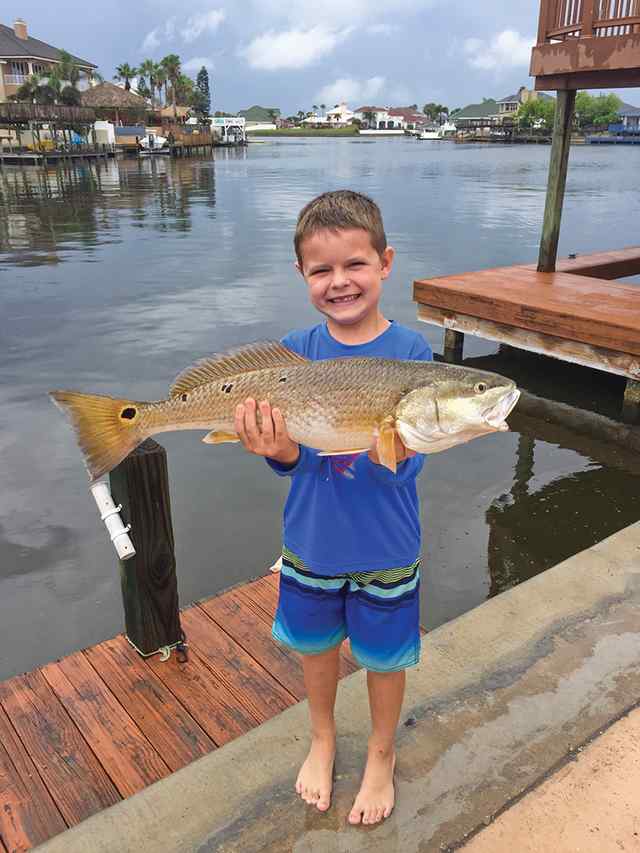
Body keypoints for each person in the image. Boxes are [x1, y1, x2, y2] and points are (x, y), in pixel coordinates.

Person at [234, 190, 432, 825]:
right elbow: (297, 464)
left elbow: (409, 466)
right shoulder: (294, 352)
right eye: (322, 270)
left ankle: (381, 752)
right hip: (312, 543)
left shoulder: (413, 355)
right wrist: (280, 452)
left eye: (355, 264)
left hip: (387, 545)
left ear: (385, 263)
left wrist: (391, 445)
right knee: (316, 651)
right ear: (302, 274)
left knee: (384, 659)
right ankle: (321, 740)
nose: (340, 282)